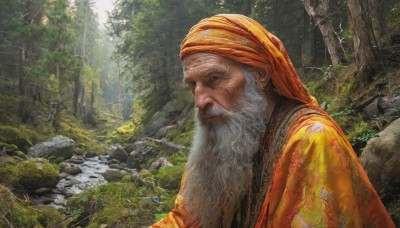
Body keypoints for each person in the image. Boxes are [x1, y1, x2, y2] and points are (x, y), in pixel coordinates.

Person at [151, 14, 394, 227]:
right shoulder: (219, 137)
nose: (200, 100)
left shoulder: (312, 143)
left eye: (214, 79)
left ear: (260, 76)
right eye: (193, 85)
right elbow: (186, 219)